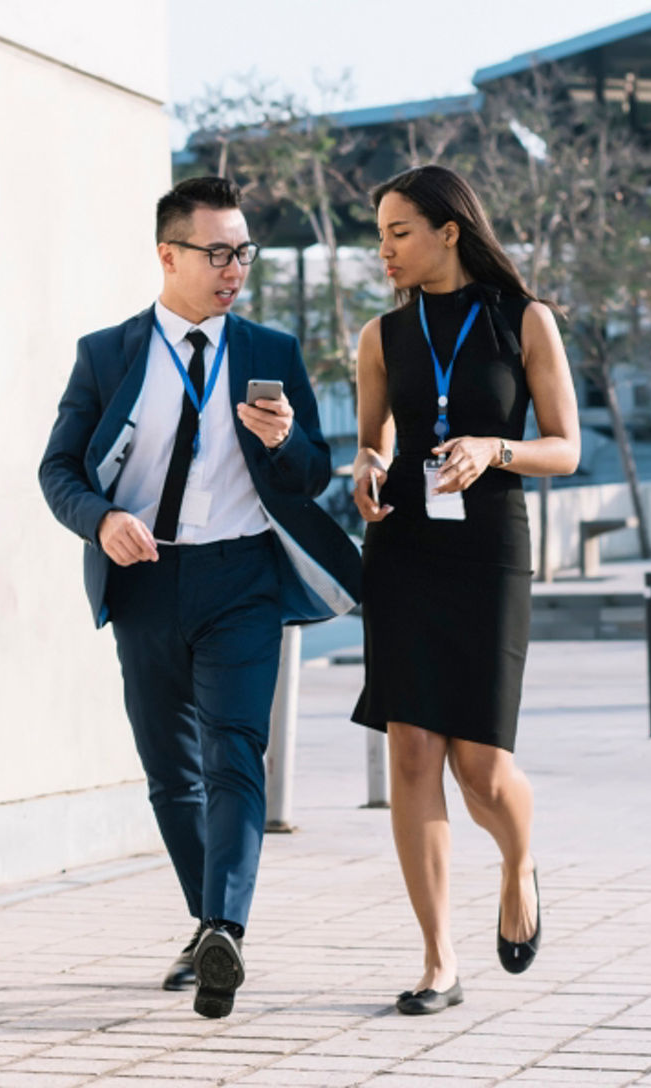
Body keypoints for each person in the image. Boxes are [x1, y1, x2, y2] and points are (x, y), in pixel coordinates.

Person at [38, 176, 364, 1020]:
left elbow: (311, 476)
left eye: (244, 252)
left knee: (234, 754)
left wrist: (287, 439)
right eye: (218, 253)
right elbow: (58, 469)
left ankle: (227, 926)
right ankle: (206, 921)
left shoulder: (269, 350)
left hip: (243, 579)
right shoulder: (107, 354)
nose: (235, 269)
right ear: (169, 255)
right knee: (170, 774)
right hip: (145, 577)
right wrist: (101, 520)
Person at [347, 165, 581, 1017]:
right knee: (411, 751)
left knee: (481, 769)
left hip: (488, 551)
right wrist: (367, 467)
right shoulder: (379, 337)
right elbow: (374, 442)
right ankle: (437, 959)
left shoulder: (525, 320)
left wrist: (494, 449)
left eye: (399, 232)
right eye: (378, 236)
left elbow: (566, 447)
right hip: (405, 546)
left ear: (450, 230)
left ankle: (519, 867)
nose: (385, 251)